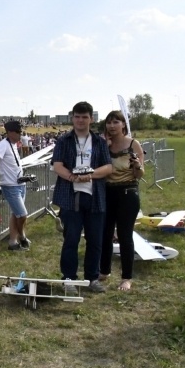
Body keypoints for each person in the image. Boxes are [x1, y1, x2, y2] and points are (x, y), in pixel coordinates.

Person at [51, 102, 112, 293]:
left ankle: (92, 278)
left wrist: (90, 175)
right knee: (71, 239)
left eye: (84, 117)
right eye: (77, 116)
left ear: (91, 119)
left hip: (95, 197)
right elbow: (57, 165)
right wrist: (71, 177)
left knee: (95, 240)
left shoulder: (100, 142)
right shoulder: (64, 140)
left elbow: (108, 167)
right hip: (70, 196)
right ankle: (69, 278)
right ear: (72, 118)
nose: (80, 120)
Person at [99, 110, 145, 292]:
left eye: (116, 122)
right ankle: (104, 271)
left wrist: (137, 166)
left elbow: (140, 175)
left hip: (127, 192)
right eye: (109, 122)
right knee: (105, 234)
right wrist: (104, 145)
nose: (112, 126)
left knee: (125, 236)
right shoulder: (103, 144)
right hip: (107, 192)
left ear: (123, 125)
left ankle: (127, 277)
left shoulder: (133, 144)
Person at [0, 120, 29, 251]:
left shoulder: (14, 144)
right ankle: (22, 236)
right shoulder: (3, 144)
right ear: (10, 133)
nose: (20, 135)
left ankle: (13, 242)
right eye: (18, 132)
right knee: (22, 215)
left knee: (16, 214)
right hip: (10, 186)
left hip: (20, 184)